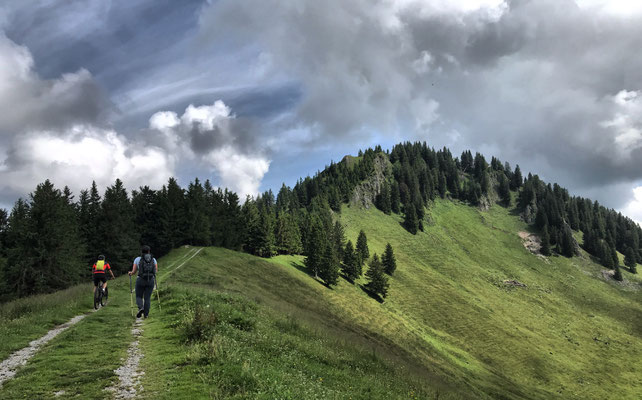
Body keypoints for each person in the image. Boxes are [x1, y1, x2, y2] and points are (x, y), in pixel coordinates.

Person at [129, 245, 158, 318]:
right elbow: (156, 270)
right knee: (147, 298)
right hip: (150, 280)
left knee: (138, 296)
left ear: (141, 252)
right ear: (149, 251)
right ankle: (146, 315)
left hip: (140, 279)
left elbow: (134, 271)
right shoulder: (153, 259)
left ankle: (141, 308)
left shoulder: (137, 259)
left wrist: (130, 273)